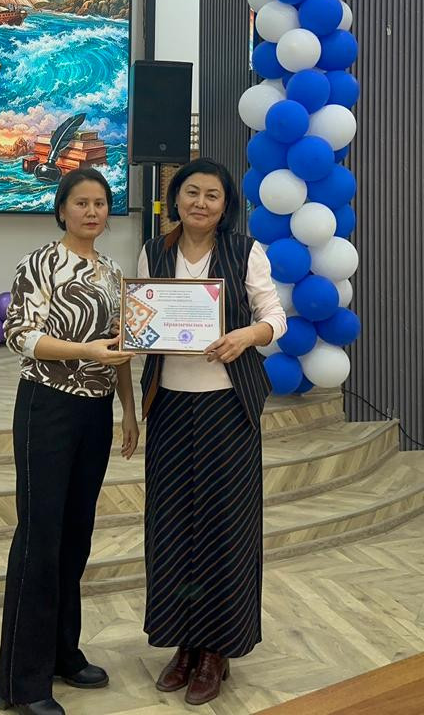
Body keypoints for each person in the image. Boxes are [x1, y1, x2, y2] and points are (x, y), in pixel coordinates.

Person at [138, 158, 286, 706]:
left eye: (213, 195)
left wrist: (246, 335)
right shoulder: (153, 252)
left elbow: (275, 317)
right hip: (170, 407)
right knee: (172, 527)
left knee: (227, 529)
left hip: (228, 408)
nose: (201, 203)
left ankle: (217, 650)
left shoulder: (246, 251)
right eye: (192, 192)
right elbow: (142, 319)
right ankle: (183, 643)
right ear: (175, 198)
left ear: (226, 206)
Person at [0, 168, 139, 715]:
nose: (92, 211)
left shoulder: (113, 272)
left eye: (100, 203)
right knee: (40, 538)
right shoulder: (39, 263)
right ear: (62, 210)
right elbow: (20, 336)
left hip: (95, 412)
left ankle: (62, 653)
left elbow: (121, 347)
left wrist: (128, 410)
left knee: (76, 537)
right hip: (47, 408)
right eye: (81, 202)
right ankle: (23, 683)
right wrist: (86, 352)